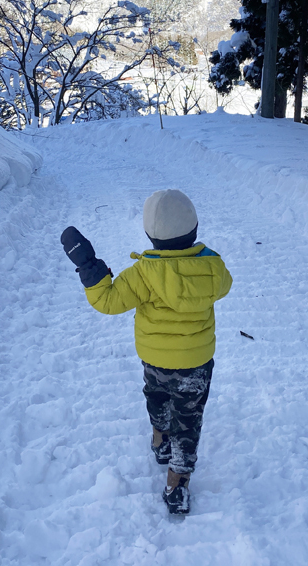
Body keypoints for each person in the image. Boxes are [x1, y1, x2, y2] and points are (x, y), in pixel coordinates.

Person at [60, 188, 233, 515]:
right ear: (194, 230)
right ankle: (177, 483)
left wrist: (90, 267)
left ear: (150, 236)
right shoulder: (212, 266)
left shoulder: (143, 273)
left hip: (155, 360)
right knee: (189, 418)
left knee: (157, 397)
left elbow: (108, 301)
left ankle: (159, 441)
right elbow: (225, 284)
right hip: (196, 363)